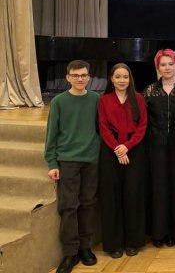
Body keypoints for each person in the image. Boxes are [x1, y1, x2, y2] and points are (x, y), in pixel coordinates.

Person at [44, 60, 100, 273]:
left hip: (91, 159)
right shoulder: (59, 101)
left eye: (83, 75)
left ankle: (85, 247)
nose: (80, 79)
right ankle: (70, 252)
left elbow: (100, 129)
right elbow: (52, 133)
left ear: (89, 77)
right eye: (75, 75)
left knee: (88, 204)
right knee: (69, 206)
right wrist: (52, 162)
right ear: (68, 77)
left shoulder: (96, 99)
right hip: (67, 160)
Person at [142, 50, 175, 248]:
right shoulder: (149, 90)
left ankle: (174, 232)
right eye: (163, 64)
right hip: (154, 146)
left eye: (170, 64)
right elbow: (143, 120)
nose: (167, 68)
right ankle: (158, 232)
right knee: (158, 188)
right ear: (158, 67)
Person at [98, 63, 147, 258]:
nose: (121, 80)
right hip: (111, 152)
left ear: (130, 79)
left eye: (125, 77)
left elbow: (142, 126)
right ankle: (114, 244)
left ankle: (133, 241)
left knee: (132, 195)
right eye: (117, 77)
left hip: (133, 150)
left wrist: (127, 146)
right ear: (111, 79)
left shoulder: (139, 99)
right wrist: (118, 149)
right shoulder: (104, 100)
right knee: (112, 197)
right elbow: (103, 127)